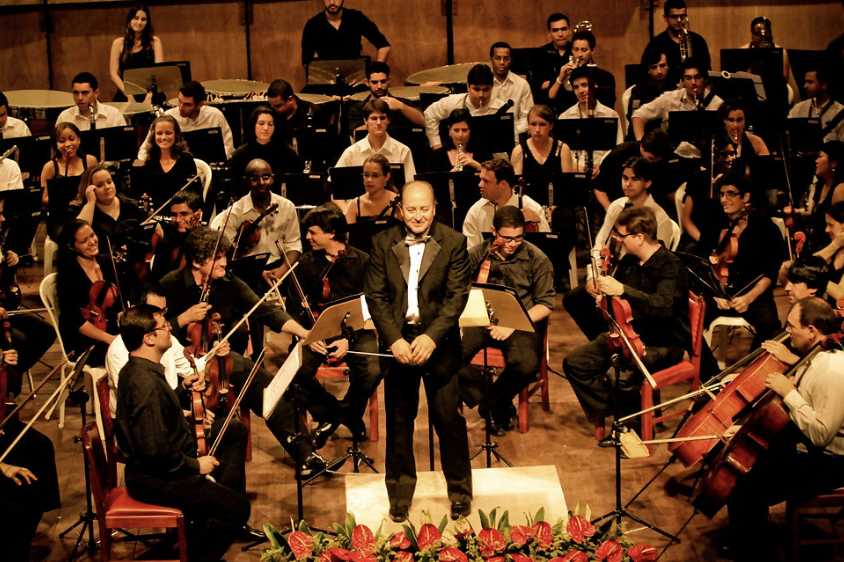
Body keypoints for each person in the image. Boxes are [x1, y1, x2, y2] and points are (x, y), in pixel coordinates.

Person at [107, 282, 328, 477]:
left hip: (172, 401)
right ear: (136, 313)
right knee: (231, 430)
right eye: (157, 312)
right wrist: (186, 414)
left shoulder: (164, 336)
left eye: (164, 311)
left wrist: (214, 354)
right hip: (152, 427)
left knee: (238, 366)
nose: (166, 320)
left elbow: (190, 366)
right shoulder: (122, 353)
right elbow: (140, 406)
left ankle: (300, 443)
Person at [365, 180, 472, 523]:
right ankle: (399, 495)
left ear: (435, 207)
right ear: (400, 210)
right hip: (398, 341)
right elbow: (376, 298)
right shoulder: (382, 242)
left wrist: (431, 338)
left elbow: (456, 298)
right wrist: (394, 339)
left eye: (424, 209)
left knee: (448, 421)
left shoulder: (454, 242)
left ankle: (459, 492)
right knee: (399, 424)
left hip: (438, 343)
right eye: (411, 209)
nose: (418, 216)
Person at [114, 304, 251, 562]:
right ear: (148, 338)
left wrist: (181, 391)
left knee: (231, 434)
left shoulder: (140, 369)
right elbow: (155, 451)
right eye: (163, 325)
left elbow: (158, 418)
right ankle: (196, 554)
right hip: (157, 477)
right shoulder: (146, 385)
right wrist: (195, 465)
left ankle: (207, 516)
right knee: (237, 509)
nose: (169, 328)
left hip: (161, 467)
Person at [727, 297, 844, 562]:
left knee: (747, 487)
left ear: (812, 330)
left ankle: (753, 552)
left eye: (792, 326)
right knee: (745, 463)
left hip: (831, 461)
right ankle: (750, 538)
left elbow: (822, 435)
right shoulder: (816, 356)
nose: (787, 331)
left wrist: (789, 392)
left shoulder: (834, 371)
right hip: (808, 445)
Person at [563, 206, 690, 440]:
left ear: (640, 237)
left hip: (662, 342)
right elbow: (620, 300)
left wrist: (623, 289)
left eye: (622, 236)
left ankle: (636, 431)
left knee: (618, 376)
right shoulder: (630, 261)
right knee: (575, 363)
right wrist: (604, 297)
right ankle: (618, 415)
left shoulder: (670, 265)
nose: (618, 240)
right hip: (627, 334)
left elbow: (664, 307)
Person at [285, 205, 381, 447]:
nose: (307, 238)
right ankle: (336, 413)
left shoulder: (363, 261)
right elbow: (293, 307)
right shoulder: (306, 263)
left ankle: (338, 416)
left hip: (356, 330)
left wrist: (348, 338)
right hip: (316, 329)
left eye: (312, 232)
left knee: (373, 367)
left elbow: (371, 305)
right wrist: (307, 335)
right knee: (294, 370)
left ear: (331, 233)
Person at [458, 206, 555, 435]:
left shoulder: (537, 258)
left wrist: (512, 323)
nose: (512, 244)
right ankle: (497, 405)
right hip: (481, 318)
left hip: (521, 322)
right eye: (507, 238)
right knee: (447, 356)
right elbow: (457, 290)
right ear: (494, 231)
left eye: (518, 238)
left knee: (526, 364)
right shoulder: (478, 254)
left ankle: (489, 405)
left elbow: (546, 304)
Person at [563, 157, 675, 341]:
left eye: (634, 179)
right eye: (624, 178)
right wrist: (593, 276)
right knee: (574, 299)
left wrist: (618, 286)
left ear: (648, 182)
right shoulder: (617, 206)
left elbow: (654, 264)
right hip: (610, 275)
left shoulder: (659, 218)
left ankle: (617, 342)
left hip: (635, 284)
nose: (628, 184)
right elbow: (600, 245)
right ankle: (606, 341)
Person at [159, 225, 309, 356]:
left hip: (222, 358)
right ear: (197, 262)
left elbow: (264, 310)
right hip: (181, 360)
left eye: (224, 256)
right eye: (217, 258)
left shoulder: (229, 281)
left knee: (263, 382)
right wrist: (183, 318)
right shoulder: (170, 284)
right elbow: (150, 333)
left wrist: (304, 333)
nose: (224, 263)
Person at [695, 171, 784, 347]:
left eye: (730, 194)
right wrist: (714, 295)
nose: (724, 200)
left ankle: (754, 366)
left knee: (771, 327)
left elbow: (770, 273)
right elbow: (701, 261)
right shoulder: (713, 225)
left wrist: (748, 298)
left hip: (752, 294)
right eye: (721, 194)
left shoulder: (767, 229)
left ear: (746, 197)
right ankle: (709, 371)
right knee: (687, 316)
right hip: (718, 293)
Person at [213, 158, 301, 285]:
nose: (261, 183)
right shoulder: (235, 212)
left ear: (273, 178)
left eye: (266, 177)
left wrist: (281, 272)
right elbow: (225, 252)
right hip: (245, 270)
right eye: (254, 179)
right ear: (246, 181)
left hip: (280, 268)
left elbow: (294, 245)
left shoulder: (287, 207)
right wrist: (257, 273)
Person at [56, 219, 120, 367]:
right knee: (122, 352)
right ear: (72, 247)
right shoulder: (69, 277)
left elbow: (118, 304)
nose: (92, 241)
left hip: (111, 328)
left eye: (92, 235)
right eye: (84, 241)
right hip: (84, 340)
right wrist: (110, 339)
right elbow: (74, 322)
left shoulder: (107, 262)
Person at [462, 158, 549, 249]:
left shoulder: (531, 208)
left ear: (503, 184)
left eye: (486, 181)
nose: (480, 184)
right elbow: (471, 251)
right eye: (481, 179)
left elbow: (547, 246)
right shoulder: (475, 211)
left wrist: (539, 223)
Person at [631, 58, 723, 142]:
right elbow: (638, 115)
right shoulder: (669, 99)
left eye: (697, 77)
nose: (693, 82)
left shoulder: (718, 104)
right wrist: (641, 142)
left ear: (705, 79)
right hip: (674, 155)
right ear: (682, 81)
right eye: (688, 78)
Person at [138, 81, 234, 161]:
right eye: (179, 101)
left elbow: (228, 148)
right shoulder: (168, 117)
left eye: (187, 104)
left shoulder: (215, 116)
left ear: (200, 105)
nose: (180, 107)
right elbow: (144, 151)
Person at [558, 66, 624, 176]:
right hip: (575, 173)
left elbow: (618, 149)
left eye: (584, 85)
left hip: (605, 172)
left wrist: (602, 166)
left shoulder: (611, 115)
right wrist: (577, 167)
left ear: (595, 86)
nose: (581, 91)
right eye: (576, 87)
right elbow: (562, 153)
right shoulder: (565, 117)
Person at [424, 64, 508, 150]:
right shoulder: (454, 102)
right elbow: (430, 113)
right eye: (476, 89)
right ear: (468, 87)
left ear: (492, 87)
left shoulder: (502, 108)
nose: (481, 95)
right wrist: (436, 144)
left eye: (485, 90)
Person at [678, 132, 736, 252]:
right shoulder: (699, 179)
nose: (730, 159)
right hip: (701, 234)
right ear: (712, 157)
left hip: (728, 236)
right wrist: (703, 242)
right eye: (723, 155)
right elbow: (686, 220)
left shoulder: (737, 179)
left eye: (732, 153)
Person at [72, 164, 146, 254]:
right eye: (99, 185)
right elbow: (78, 233)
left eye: (109, 182)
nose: (107, 187)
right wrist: (91, 202)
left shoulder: (130, 205)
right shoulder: (85, 211)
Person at [335, 99, 417, 180]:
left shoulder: (403, 151)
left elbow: (411, 186)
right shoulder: (351, 153)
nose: (378, 123)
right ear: (365, 120)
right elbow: (334, 182)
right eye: (374, 118)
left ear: (388, 120)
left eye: (382, 118)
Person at [593, 129, 673, 210]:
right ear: (641, 147)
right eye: (651, 158)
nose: (653, 162)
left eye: (657, 160)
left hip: (653, 204)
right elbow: (599, 189)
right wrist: (611, 210)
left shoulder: (663, 158)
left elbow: (666, 190)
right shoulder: (619, 154)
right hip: (619, 202)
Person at [230, 106, 300, 197]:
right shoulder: (240, 154)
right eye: (261, 123)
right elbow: (236, 188)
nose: (266, 128)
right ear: (253, 125)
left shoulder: (287, 152)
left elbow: (295, 184)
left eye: (270, 124)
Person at [640, 0, 711, 86]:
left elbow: (707, 72)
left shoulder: (698, 41)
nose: (679, 20)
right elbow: (645, 74)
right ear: (665, 18)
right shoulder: (656, 43)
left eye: (682, 16)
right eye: (674, 16)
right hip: (666, 93)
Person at [301, 0, 390, 67]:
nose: (332, 2)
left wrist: (374, 73)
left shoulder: (356, 17)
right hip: (326, 78)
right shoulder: (313, 24)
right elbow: (306, 61)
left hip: (355, 78)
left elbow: (384, 46)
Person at [548, 29, 617, 113]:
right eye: (576, 50)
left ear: (593, 50)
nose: (579, 54)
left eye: (584, 50)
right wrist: (560, 78)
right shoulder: (565, 72)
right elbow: (551, 97)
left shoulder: (606, 77)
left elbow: (609, 107)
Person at [109, 3, 163, 103]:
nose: (139, 22)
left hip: (150, 94)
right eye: (136, 18)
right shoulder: (118, 43)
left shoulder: (154, 42)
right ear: (130, 20)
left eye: (143, 19)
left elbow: (158, 72)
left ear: (147, 22)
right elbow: (113, 74)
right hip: (125, 93)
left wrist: (149, 96)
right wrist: (129, 95)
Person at [348, 62, 424, 132]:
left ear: (389, 80)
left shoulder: (402, 103)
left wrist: (401, 106)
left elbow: (422, 122)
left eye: (383, 81)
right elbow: (356, 134)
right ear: (367, 82)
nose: (379, 86)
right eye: (374, 82)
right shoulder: (357, 108)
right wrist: (377, 121)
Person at [40, 122, 98, 213]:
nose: (67, 144)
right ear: (56, 144)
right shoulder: (50, 167)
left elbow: (99, 187)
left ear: (79, 139)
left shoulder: (90, 161)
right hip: (61, 215)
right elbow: (44, 200)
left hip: (88, 211)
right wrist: (63, 199)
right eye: (62, 141)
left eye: (72, 139)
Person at [151, 188, 202, 280]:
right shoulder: (164, 245)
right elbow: (158, 281)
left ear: (197, 215)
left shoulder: (206, 242)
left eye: (184, 214)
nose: (178, 220)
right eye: (174, 215)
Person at [625, 47, 672, 141]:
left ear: (668, 66)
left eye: (662, 66)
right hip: (643, 136)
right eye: (654, 67)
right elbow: (633, 115)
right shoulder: (639, 90)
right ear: (648, 70)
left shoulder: (675, 88)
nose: (659, 71)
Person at [789, 65, 844, 143]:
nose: (805, 86)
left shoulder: (839, 112)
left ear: (824, 85)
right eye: (805, 82)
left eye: (810, 82)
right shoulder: (798, 108)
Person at [511, 104, 572, 175]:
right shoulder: (519, 151)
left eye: (542, 124)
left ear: (551, 126)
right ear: (528, 125)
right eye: (533, 124)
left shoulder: (563, 149)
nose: (537, 129)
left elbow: (568, 183)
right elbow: (515, 183)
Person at [427, 109, 492, 174]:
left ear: (470, 130)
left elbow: (494, 179)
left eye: (464, 130)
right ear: (449, 130)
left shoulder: (483, 154)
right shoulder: (437, 156)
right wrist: (449, 176)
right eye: (456, 130)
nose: (460, 135)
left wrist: (478, 166)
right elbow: (430, 182)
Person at [489, 41, 534, 137]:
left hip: (516, 136)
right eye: (498, 58)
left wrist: (513, 132)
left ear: (510, 60)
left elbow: (527, 116)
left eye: (506, 58)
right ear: (491, 60)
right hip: (488, 134)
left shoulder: (522, 84)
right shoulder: (484, 84)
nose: (502, 62)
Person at [55, 72, 126, 131]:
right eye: (76, 93)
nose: (80, 98)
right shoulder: (65, 117)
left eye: (85, 93)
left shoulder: (113, 115)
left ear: (96, 93)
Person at [345, 154, 401, 224]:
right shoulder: (356, 204)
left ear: (387, 177)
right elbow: (349, 233)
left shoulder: (397, 202)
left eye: (375, 176)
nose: (369, 180)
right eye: (366, 175)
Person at [531, 13, 574, 103]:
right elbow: (534, 86)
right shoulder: (540, 54)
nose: (560, 34)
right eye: (555, 30)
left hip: (573, 103)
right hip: (545, 105)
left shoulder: (577, 51)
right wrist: (561, 79)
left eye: (564, 29)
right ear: (549, 33)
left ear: (570, 30)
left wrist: (549, 82)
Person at [739, 16, 791, 81]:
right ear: (751, 33)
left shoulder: (782, 52)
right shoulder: (743, 51)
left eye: (763, 34)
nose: (759, 37)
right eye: (756, 34)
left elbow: (785, 78)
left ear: (769, 33)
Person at [813, 202, 844, 304]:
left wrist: (813, 276)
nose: (826, 230)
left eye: (831, 225)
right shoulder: (836, 249)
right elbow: (805, 265)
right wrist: (835, 245)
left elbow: (841, 294)